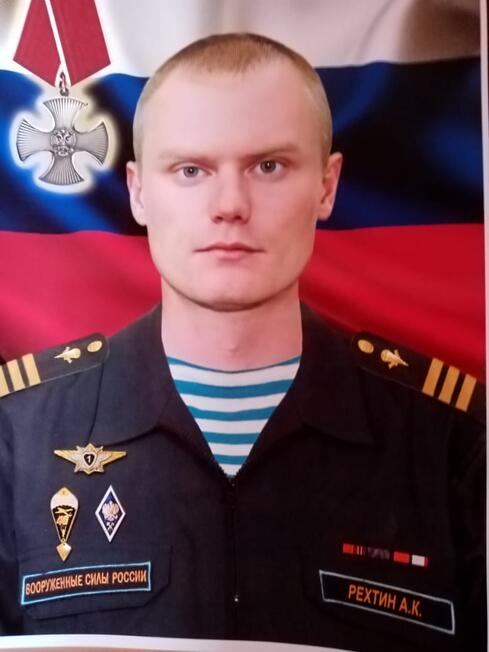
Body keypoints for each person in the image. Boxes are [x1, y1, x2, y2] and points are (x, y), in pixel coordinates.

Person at [0, 33, 484, 651]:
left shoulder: (453, 441)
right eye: (191, 170)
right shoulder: (17, 434)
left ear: (327, 186)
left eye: (269, 166)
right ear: (139, 191)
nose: (230, 205)